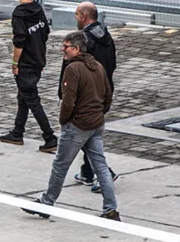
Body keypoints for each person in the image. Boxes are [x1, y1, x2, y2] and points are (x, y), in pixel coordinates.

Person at [26, 31, 119, 221]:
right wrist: (99, 113)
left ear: (76, 49)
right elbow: (108, 95)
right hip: (96, 124)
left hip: (77, 126)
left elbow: (68, 101)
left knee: (60, 165)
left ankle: (47, 203)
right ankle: (111, 208)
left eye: (66, 46)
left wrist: (64, 121)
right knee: (100, 166)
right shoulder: (98, 67)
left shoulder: (73, 69)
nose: (62, 49)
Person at [0, 0, 56, 152]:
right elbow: (45, 32)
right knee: (23, 97)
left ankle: (50, 137)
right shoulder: (37, 8)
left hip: (26, 64)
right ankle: (17, 133)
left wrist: (15, 63)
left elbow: (19, 41)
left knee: (32, 100)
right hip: (39, 61)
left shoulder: (19, 13)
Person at [71, 1, 117, 192]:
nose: (75, 18)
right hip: (104, 90)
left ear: (83, 16)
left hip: (87, 95)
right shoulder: (106, 35)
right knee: (92, 131)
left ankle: (104, 172)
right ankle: (87, 172)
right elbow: (112, 64)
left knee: (79, 133)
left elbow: (75, 69)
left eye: (76, 14)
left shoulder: (83, 40)